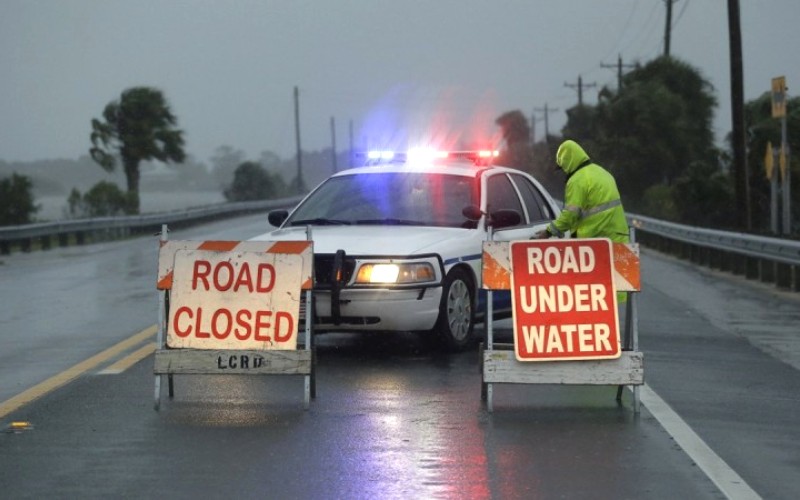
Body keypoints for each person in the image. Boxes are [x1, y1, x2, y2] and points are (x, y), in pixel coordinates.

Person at [535, 139, 629, 244]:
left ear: (567, 161)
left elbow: (570, 216)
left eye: (563, 167)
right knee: (624, 261)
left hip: (595, 244)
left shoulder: (577, 180)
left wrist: (548, 232)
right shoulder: (604, 173)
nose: (564, 171)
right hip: (619, 240)